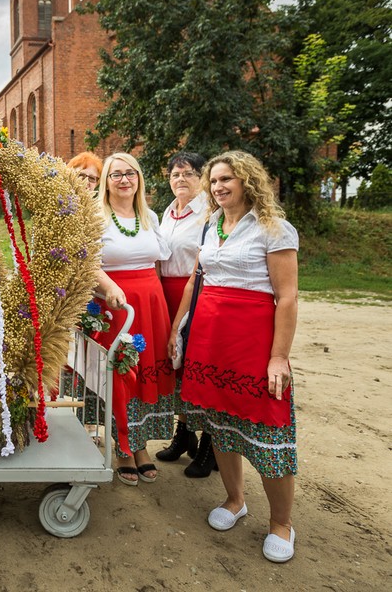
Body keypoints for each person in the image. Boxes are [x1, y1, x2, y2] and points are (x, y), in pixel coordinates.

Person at [168, 151, 299, 563]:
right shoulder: (211, 225)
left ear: (247, 181)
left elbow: (287, 297)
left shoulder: (273, 228)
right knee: (220, 425)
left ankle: (281, 523)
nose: (218, 186)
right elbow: (195, 280)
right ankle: (235, 499)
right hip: (209, 340)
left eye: (227, 179)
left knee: (268, 432)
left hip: (253, 342)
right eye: (214, 180)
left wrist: (279, 357)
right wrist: (177, 328)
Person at [93, 152, 175, 485]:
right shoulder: (96, 216)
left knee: (145, 375)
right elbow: (87, 262)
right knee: (122, 374)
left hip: (150, 305)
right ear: (106, 182)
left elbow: (158, 263)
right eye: (116, 174)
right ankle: (123, 448)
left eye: (130, 173)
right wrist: (110, 286)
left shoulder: (149, 216)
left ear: (139, 178)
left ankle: (140, 445)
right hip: (116, 305)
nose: (124, 179)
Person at [155, 151, 218, 478]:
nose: (181, 179)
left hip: (197, 293)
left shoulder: (210, 212)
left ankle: (211, 445)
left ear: (201, 178)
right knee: (177, 367)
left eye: (189, 173)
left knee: (199, 367)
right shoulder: (167, 212)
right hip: (166, 293)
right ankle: (184, 433)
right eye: (175, 174)